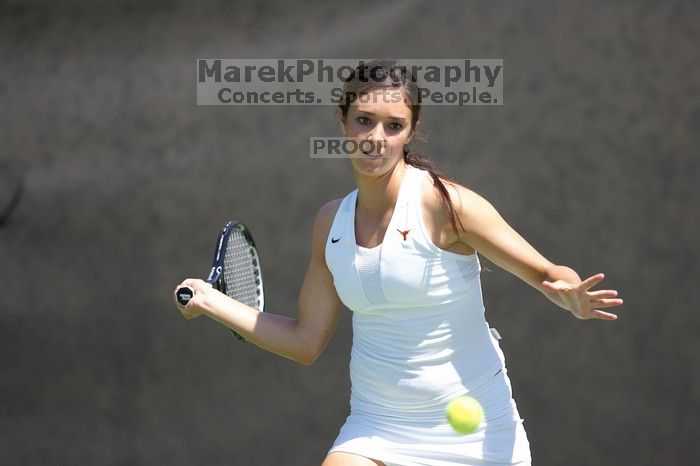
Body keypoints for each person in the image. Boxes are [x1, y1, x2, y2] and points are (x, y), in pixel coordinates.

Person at [174, 59, 623, 466]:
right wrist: (212, 302)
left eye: (393, 126)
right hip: (377, 425)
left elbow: (547, 274)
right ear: (343, 120)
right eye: (364, 121)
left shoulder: (447, 206)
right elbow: (305, 341)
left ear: (411, 130)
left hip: (476, 431)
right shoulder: (330, 221)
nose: (375, 138)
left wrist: (570, 296)